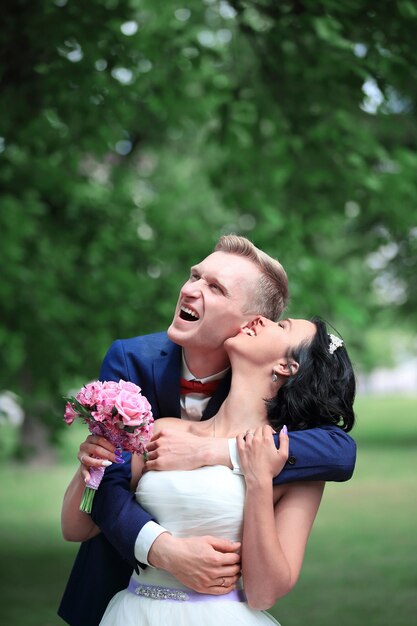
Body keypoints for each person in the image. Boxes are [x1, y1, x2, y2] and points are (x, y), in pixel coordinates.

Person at [58, 235, 356, 626]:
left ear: (251, 322)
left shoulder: (280, 443)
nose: (189, 289)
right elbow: (96, 501)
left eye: (215, 287)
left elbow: (341, 452)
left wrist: (224, 454)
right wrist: (161, 548)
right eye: (195, 276)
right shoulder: (134, 366)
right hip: (126, 591)